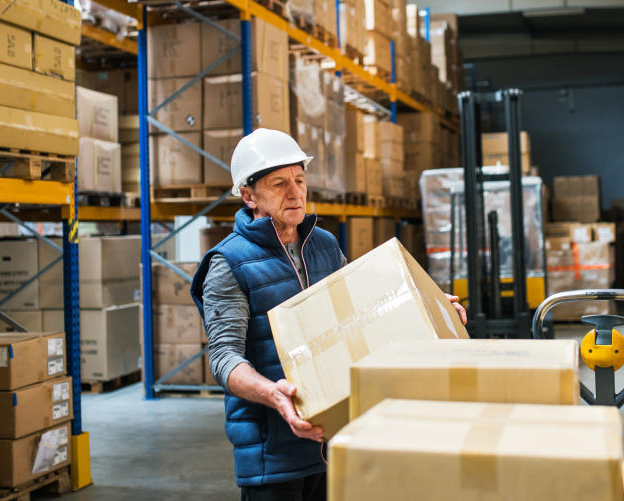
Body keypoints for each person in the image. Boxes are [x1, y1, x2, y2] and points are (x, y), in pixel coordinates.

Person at [190, 129, 466, 501]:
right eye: (279, 183)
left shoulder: (324, 245)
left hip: (336, 436)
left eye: (300, 180)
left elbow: (364, 311)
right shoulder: (228, 264)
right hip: (273, 452)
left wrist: (427, 306)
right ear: (248, 195)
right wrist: (273, 394)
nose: (295, 192)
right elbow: (224, 357)